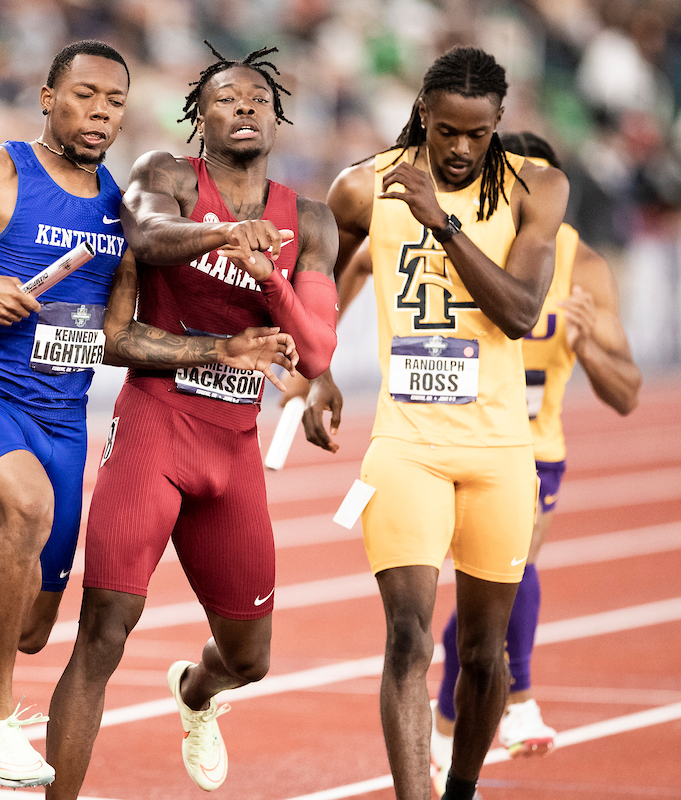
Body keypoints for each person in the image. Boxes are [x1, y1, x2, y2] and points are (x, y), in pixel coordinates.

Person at [0, 40, 296, 789]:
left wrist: (225, 349)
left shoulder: (118, 208)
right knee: (28, 509)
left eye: (113, 102)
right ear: (47, 97)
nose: (98, 113)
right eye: (83, 96)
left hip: (63, 418)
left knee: (32, 629)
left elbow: (116, 336)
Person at [43, 43, 338, 798]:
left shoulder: (309, 219)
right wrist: (223, 236)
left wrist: (269, 281)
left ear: (277, 118)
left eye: (257, 99)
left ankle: (196, 693)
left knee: (250, 659)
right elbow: (146, 236)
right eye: (225, 99)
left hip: (234, 444)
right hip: (157, 422)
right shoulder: (169, 176)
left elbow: (314, 350)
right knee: (104, 630)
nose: (244, 108)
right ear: (199, 118)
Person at [306, 48, 569, 800]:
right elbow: (317, 276)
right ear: (423, 111)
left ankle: (461, 788)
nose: (459, 148)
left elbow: (520, 313)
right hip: (406, 445)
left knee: (484, 653)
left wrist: (443, 224)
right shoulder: (363, 185)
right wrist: (317, 368)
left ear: (498, 123)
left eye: (476, 134)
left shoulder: (537, 188)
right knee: (408, 637)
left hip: (499, 451)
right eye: (446, 130)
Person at [423, 132, 641, 788]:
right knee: (486, 588)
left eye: (543, 185)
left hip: (534, 450)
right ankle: (473, 715)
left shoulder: (583, 265)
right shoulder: (456, 242)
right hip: (452, 439)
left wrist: (587, 346)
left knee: (504, 574)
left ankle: (485, 712)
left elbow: (627, 393)